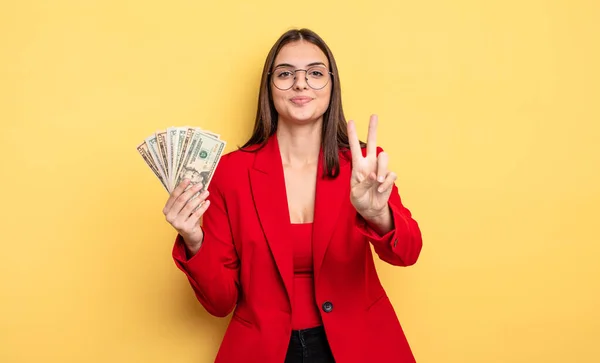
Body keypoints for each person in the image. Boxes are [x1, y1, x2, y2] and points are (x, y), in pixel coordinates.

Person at [162, 28, 423, 363]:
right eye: (286, 74)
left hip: (359, 346)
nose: (301, 84)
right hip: (263, 351)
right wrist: (195, 239)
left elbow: (408, 253)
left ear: (332, 86)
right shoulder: (230, 174)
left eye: (315, 73)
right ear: (269, 87)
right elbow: (219, 303)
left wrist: (377, 214)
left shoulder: (361, 167)